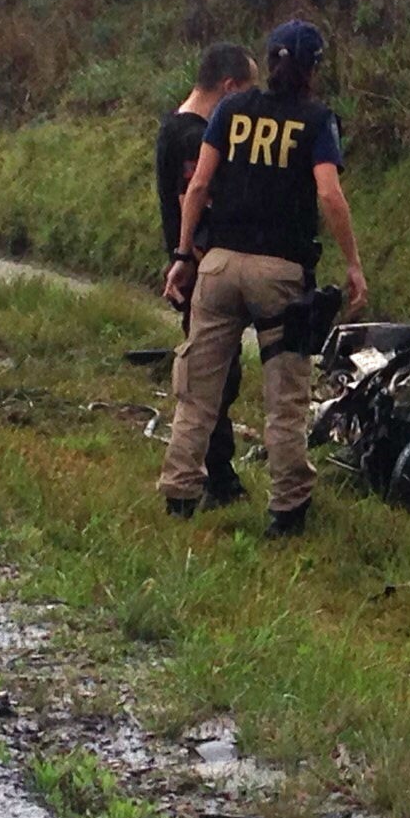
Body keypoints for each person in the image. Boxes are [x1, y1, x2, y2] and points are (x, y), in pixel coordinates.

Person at [158, 20, 368, 537]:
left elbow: (200, 184)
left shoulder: (230, 110)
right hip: (280, 274)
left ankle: (181, 494)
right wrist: (354, 264)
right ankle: (286, 511)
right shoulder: (317, 120)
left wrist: (184, 255)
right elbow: (328, 194)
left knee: (198, 391)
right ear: (312, 68)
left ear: (269, 63)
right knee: (285, 398)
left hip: (220, 265)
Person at [155, 42, 257, 507]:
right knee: (212, 380)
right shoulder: (196, 138)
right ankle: (216, 481)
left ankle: (218, 474)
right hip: (199, 269)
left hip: (189, 264)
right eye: (247, 91)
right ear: (230, 87)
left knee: (214, 378)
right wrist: (193, 259)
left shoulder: (172, 126)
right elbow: (190, 203)